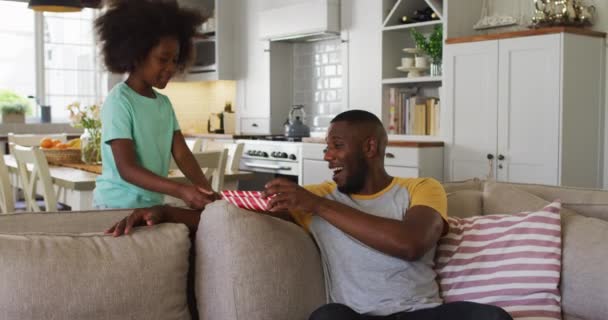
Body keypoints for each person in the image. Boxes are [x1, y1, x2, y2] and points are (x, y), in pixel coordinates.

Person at [106, 110, 512, 320]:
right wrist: (166, 211)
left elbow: (410, 243)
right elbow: (234, 213)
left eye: (337, 145)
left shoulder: (419, 188)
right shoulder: (313, 198)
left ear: (370, 148)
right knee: (326, 317)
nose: (327, 155)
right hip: (356, 319)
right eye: (326, 146)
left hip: (422, 316)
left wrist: (317, 206)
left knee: (491, 317)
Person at [92, 0, 218, 210]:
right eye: (163, 59)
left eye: (175, 60)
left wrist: (206, 189)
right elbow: (127, 168)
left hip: (150, 206)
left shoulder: (164, 104)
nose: (171, 68)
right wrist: (180, 190)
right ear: (137, 55)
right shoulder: (119, 101)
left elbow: (182, 154)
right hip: (114, 206)